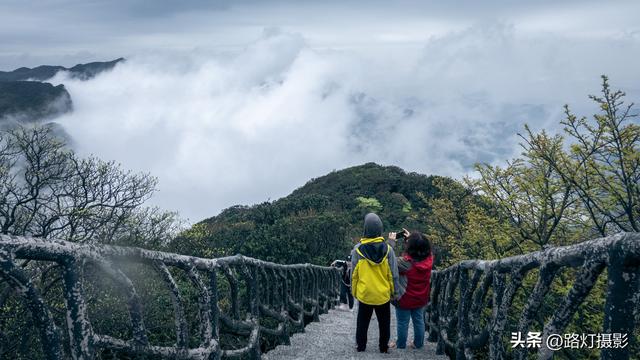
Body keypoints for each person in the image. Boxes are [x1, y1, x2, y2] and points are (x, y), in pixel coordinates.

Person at [351, 213, 399, 353]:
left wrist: (354, 292)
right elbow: (393, 274)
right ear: (380, 229)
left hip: (365, 294)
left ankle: (361, 346)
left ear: (365, 229)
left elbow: (354, 274)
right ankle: (383, 348)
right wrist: (394, 292)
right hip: (382, 294)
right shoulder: (388, 250)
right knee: (384, 323)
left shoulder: (357, 250)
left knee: (362, 322)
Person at [388, 230, 433, 350]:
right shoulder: (429, 259)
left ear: (410, 248)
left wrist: (391, 243)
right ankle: (418, 344)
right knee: (419, 321)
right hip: (421, 297)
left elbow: (389, 260)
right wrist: (411, 240)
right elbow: (420, 250)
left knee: (403, 322)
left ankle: (400, 345)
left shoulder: (405, 263)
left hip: (404, 298)